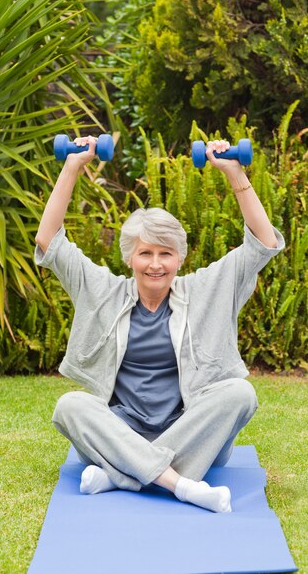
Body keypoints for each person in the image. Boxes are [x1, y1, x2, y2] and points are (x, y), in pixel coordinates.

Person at [35, 136, 284, 513]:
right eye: (145, 253)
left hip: (191, 431)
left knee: (241, 394)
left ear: (179, 259)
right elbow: (49, 240)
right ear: (130, 258)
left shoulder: (204, 289)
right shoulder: (105, 292)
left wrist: (235, 172)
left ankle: (121, 475)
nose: (155, 264)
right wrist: (72, 166)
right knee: (70, 406)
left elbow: (263, 244)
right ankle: (182, 485)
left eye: (165, 253)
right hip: (123, 429)